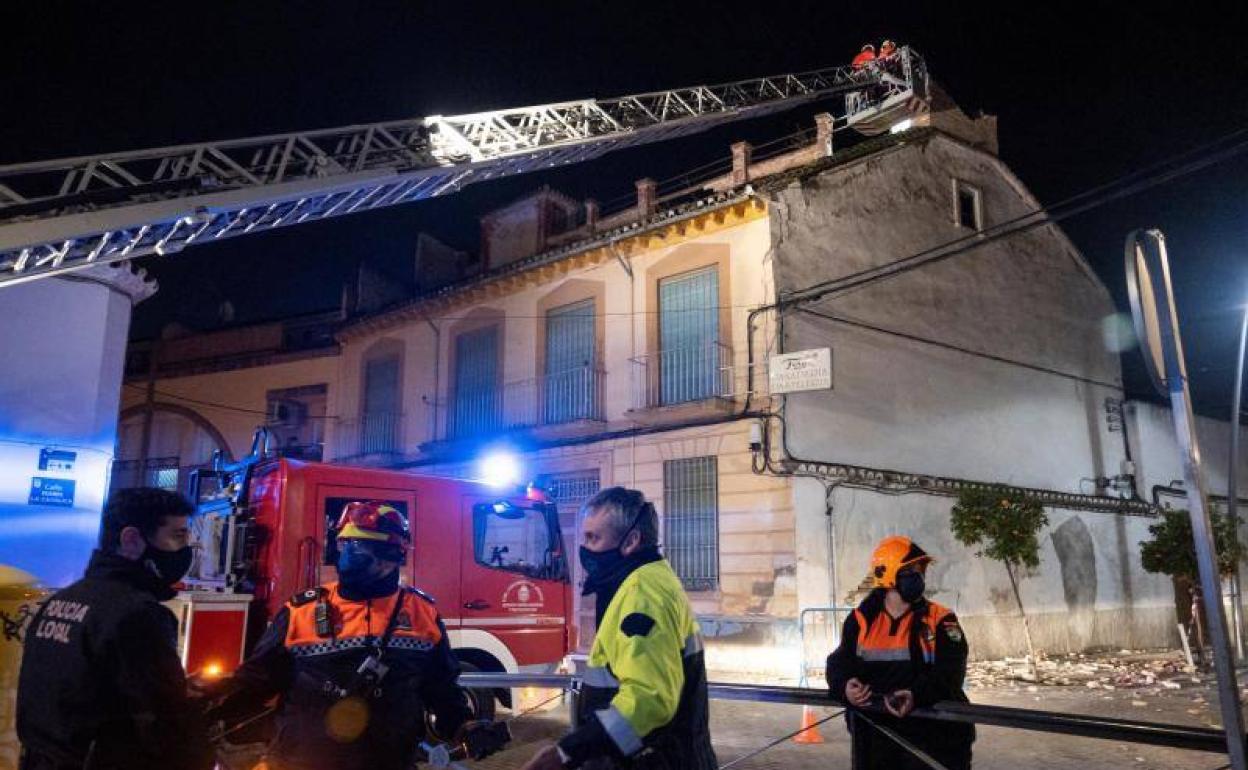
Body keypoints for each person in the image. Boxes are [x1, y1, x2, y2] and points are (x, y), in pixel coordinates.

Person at [205, 501, 502, 770]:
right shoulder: (300, 611)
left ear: (391, 557)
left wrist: (466, 727)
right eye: (345, 543)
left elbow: (441, 691)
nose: (347, 554)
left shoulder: (422, 613)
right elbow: (257, 681)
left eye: (359, 546)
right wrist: (209, 706)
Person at [16, 488, 213, 770]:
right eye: (177, 536)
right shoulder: (137, 614)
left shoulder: (62, 600)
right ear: (131, 540)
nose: (185, 551)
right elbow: (168, 723)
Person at [521, 487, 715, 770]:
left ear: (631, 541)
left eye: (593, 538)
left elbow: (649, 700)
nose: (584, 549)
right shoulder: (647, 580)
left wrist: (566, 752)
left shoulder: (642, 595)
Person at [826, 536, 974, 770]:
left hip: (933, 741)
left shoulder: (941, 620)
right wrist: (844, 686)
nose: (920, 577)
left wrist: (916, 694)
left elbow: (951, 673)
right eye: (911, 571)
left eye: (921, 571)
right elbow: (839, 662)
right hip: (876, 740)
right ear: (888, 575)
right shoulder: (861, 621)